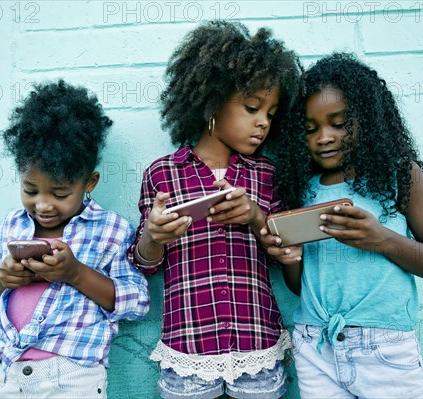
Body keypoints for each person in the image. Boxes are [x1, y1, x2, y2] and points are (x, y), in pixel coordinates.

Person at [265, 52, 423, 398]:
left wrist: (380, 239)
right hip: (316, 343)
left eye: (338, 124)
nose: (324, 137)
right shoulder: (302, 189)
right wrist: (290, 258)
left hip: (385, 348)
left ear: (367, 119)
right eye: (310, 129)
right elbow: (301, 288)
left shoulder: (400, 176)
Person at [128, 20, 304, 399]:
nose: (263, 122)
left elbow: (285, 252)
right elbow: (145, 263)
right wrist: (152, 236)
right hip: (188, 346)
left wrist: (255, 216)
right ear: (211, 101)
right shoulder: (163, 174)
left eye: (271, 114)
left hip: (256, 341)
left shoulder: (267, 174)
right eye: (252, 107)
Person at [0, 80, 150, 398]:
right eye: (30, 190)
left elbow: (137, 303)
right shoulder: (12, 225)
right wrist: (2, 280)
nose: (43, 205)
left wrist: (75, 273)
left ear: (89, 183)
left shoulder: (109, 230)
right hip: (9, 375)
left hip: (73, 377)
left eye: (60, 193)